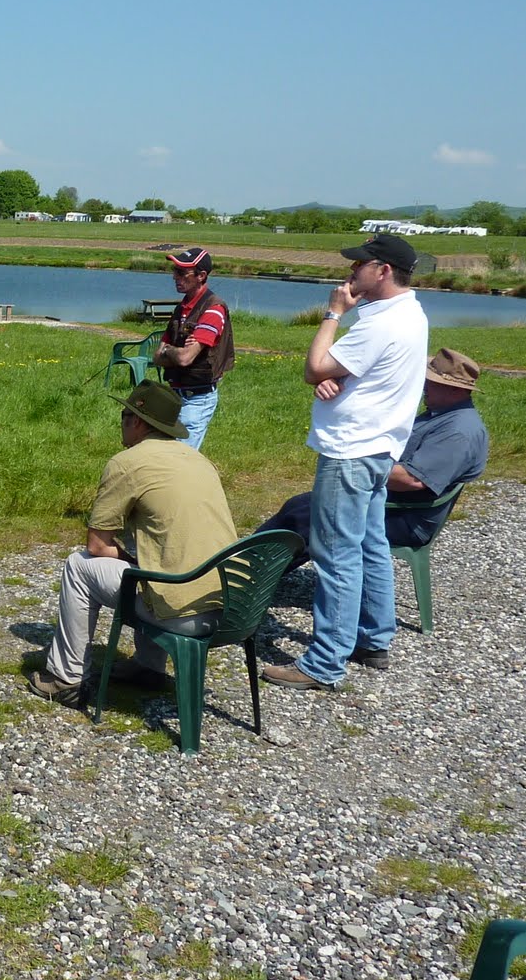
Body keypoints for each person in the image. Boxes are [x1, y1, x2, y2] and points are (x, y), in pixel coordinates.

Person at [262, 233, 429, 691]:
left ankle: (324, 661)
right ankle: (374, 639)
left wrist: (334, 314)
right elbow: (342, 373)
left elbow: (314, 367)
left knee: (335, 555)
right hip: (380, 447)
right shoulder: (411, 313)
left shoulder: (379, 324)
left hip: (351, 451)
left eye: (360, 265)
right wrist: (335, 380)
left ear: (384, 271)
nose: (351, 273)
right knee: (370, 545)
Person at [27, 382, 237, 707]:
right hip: (233, 610)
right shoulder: (198, 460)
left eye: (124, 414)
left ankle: (66, 679)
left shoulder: (127, 463)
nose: (121, 421)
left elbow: (97, 545)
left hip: (182, 613)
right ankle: (148, 667)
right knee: (154, 558)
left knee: (79, 566)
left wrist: (126, 558)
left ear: (137, 421)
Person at [257, 348, 489, 595]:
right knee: (302, 505)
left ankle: (254, 577)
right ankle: (251, 565)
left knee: (312, 515)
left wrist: (355, 466)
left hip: (407, 518)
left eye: (431, 383)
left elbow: (414, 479)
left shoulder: (458, 431)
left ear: (455, 390)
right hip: (390, 503)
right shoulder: (442, 415)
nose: (423, 387)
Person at [151, 247, 234, 450]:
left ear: (201, 276)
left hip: (196, 399)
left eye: (181, 272)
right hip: (175, 395)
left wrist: (170, 350)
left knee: (181, 458)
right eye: (174, 270)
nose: (174, 277)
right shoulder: (182, 308)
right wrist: (173, 351)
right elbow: (156, 356)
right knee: (168, 455)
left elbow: (185, 358)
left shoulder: (213, 309)